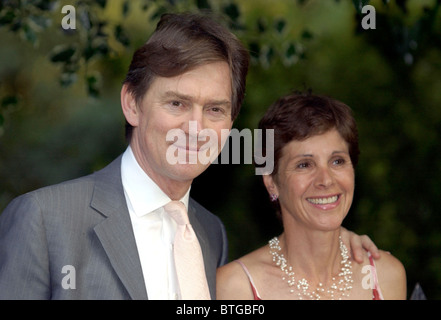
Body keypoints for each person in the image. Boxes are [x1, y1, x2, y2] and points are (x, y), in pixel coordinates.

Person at [0, 13, 379, 300]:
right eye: (178, 103)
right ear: (132, 104)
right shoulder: (44, 221)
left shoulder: (210, 233)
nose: (196, 128)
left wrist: (332, 239)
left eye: (215, 109)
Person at [217, 92, 407, 300]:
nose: (325, 180)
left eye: (337, 161)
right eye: (304, 165)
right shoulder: (236, 286)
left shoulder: (385, 276)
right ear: (271, 182)